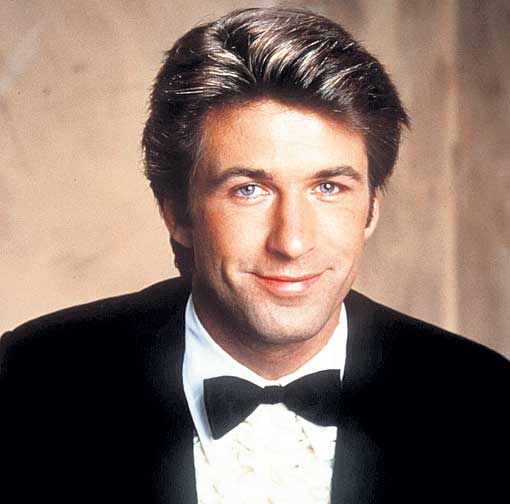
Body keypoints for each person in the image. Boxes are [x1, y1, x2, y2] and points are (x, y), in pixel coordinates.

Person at [1, 7, 508, 504]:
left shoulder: (483, 398)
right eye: (249, 190)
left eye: (328, 187)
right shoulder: (30, 380)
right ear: (177, 213)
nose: (291, 242)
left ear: (371, 209)